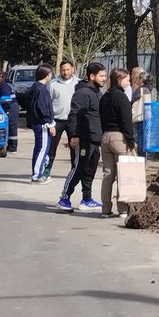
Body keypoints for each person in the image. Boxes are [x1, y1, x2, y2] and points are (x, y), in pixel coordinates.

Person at [58, 62, 106, 212]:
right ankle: (64, 197)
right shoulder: (83, 93)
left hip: (95, 138)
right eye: (102, 76)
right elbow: (74, 115)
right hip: (83, 138)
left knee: (90, 169)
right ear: (92, 76)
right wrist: (74, 135)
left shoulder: (97, 92)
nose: (104, 78)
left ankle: (87, 198)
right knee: (78, 168)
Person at [99, 68, 136, 219]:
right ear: (119, 80)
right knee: (123, 173)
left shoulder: (104, 97)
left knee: (108, 175)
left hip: (105, 137)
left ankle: (106, 209)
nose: (129, 82)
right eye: (127, 79)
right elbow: (126, 121)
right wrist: (131, 140)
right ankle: (123, 209)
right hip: (119, 138)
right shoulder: (121, 98)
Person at [47, 60, 78, 178]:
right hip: (57, 120)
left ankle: (75, 170)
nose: (65, 72)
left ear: (73, 69)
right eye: (63, 70)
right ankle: (47, 169)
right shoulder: (53, 84)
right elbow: (48, 103)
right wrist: (50, 122)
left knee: (74, 147)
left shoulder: (79, 83)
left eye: (68, 69)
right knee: (51, 147)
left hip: (73, 120)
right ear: (60, 70)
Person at [26, 64, 56, 183]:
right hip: (42, 124)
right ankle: (37, 175)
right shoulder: (41, 89)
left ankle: (40, 172)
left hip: (37, 123)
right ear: (47, 75)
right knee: (42, 149)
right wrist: (50, 123)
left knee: (40, 148)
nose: (52, 76)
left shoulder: (35, 87)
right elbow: (43, 107)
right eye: (50, 74)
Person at [0, 72, 21, 153]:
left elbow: (6, 100)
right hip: (10, 107)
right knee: (10, 127)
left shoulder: (4, 87)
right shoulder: (2, 85)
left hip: (12, 108)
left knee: (12, 127)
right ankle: (10, 146)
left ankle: (13, 147)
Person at [129, 65, 151, 156]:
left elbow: (131, 101)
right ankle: (144, 160)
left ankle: (141, 161)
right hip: (146, 117)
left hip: (139, 117)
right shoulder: (148, 89)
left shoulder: (140, 90)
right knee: (143, 140)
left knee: (140, 141)